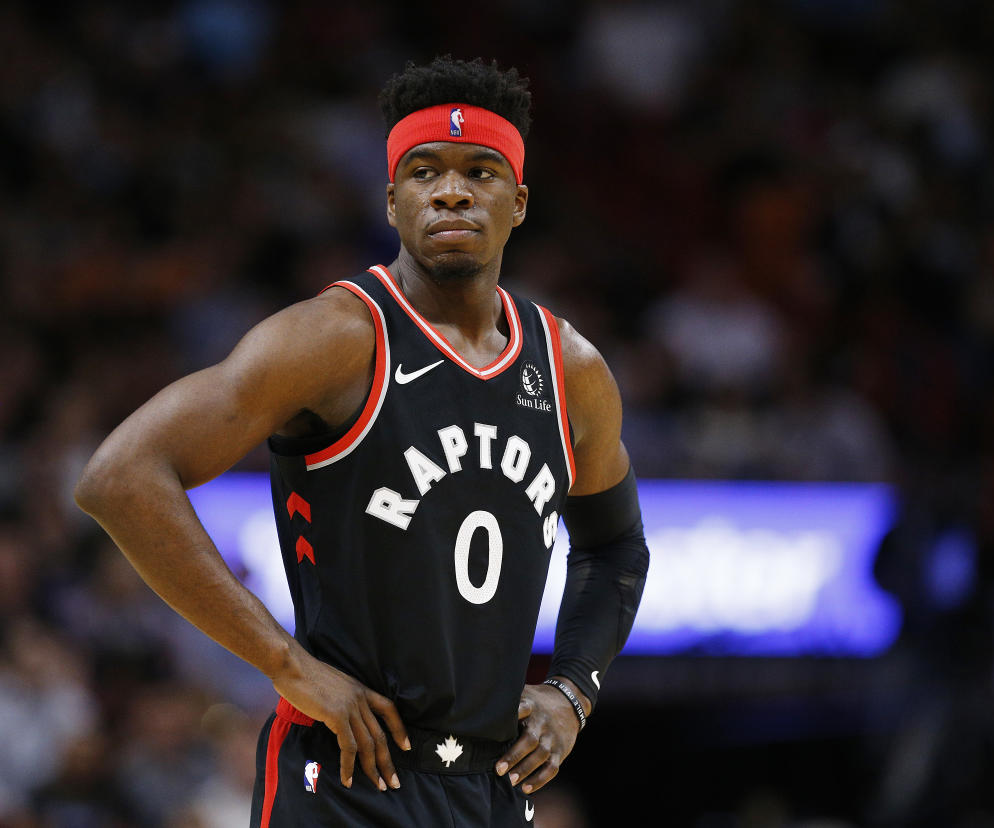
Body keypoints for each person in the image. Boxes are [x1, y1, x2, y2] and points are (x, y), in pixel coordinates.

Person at [75, 55, 650, 827]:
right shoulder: (335, 338)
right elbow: (120, 476)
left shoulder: (569, 369)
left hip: (491, 785)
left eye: (480, 171)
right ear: (391, 199)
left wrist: (573, 691)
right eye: (424, 172)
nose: (451, 189)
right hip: (345, 777)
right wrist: (286, 665)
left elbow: (616, 549)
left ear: (518, 201)